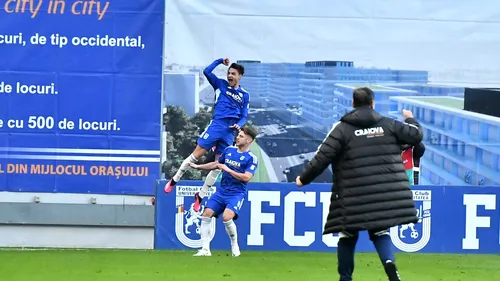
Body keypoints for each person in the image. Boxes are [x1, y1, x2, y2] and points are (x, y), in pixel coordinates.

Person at [295, 87, 423, 281]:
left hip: (352, 196)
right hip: (383, 193)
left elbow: (322, 157)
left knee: (347, 234)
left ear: (353, 104)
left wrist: (303, 179)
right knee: (380, 231)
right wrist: (410, 118)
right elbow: (416, 135)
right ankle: (389, 264)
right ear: (373, 103)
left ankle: (345, 278)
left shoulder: (342, 128)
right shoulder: (389, 125)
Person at [164, 58, 250, 212]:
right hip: (216, 125)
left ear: (240, 76)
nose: (230, 76)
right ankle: (174, 179)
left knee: (219, 166)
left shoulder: (244, 95)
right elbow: (206, 71)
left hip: (230, 132)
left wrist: (240, 125)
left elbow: (244, 115)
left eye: (233, 74)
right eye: (228, 73)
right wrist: (219, 61)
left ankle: (201, 195)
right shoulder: (220, 84)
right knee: (195, 155)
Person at [188, 126, 258, 257]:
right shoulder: (229, 150)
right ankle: (205, 249)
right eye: (238, 135)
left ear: (249, 140)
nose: (237, 137)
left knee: (227, 217)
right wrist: (198, 167)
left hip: (236, 193)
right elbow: (216, 164)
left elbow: (246, 178)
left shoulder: (251, 158)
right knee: (206, 213)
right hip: (222, 191)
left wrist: (228, 170)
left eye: (241, 136)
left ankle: (234, 245)